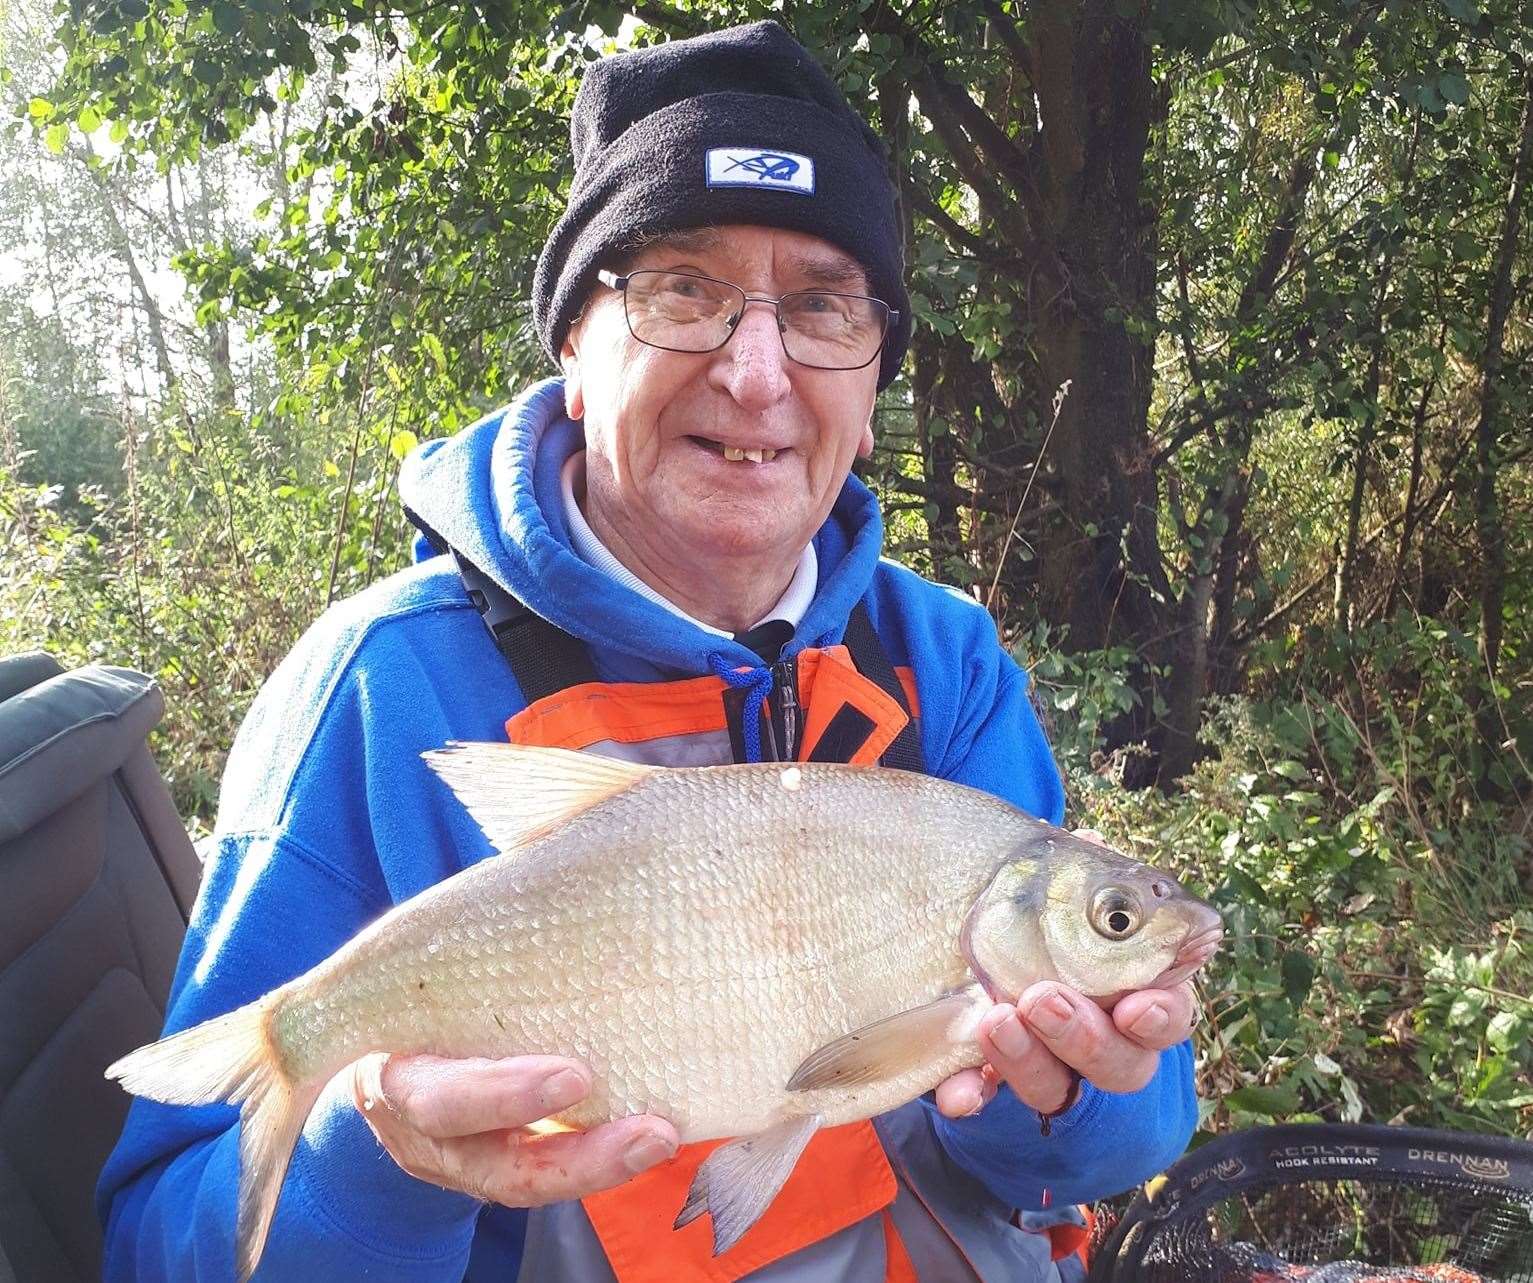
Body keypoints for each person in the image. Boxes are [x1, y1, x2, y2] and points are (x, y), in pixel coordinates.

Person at [98, 19, 1200, 1282]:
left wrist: (1074, 1084)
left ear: (875, 367)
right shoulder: (377, 691)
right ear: (575, 346)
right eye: (686, 290)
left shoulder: (939, 658)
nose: (756, 369)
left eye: (824, 306)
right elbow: (154, 1248)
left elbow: (1121, 1143)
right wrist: (372, 1154)